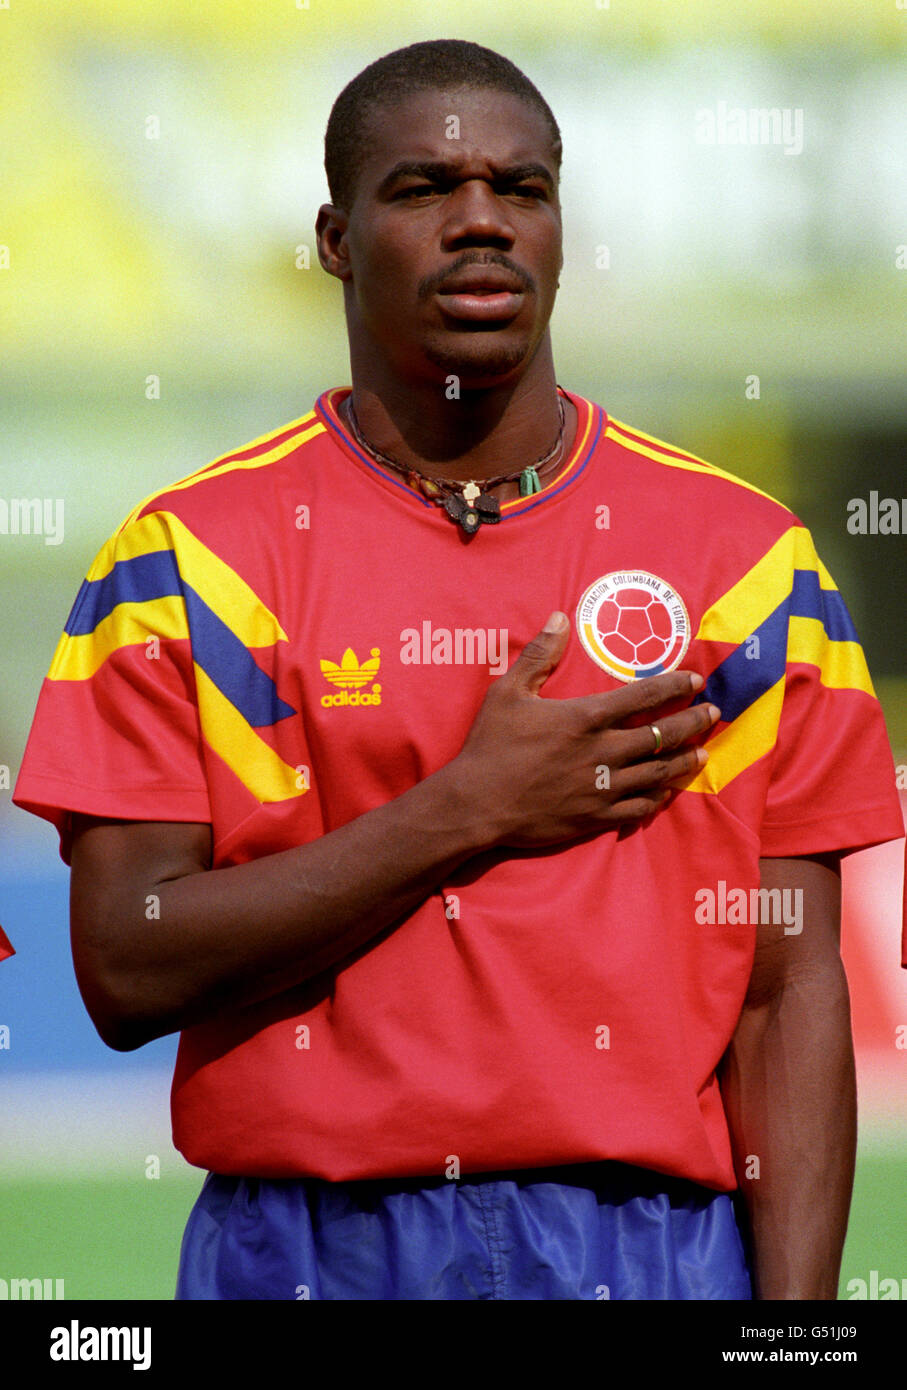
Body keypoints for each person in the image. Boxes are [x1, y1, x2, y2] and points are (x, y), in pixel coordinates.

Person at [13, 39, 904, 1301]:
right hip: (307, 1251)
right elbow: (123, 961)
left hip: (651, 1252)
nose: (479, 220)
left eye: (520, 188)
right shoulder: (187, 562)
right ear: (333, 236)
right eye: (424, 187)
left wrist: (797, 1332)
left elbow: (786, 988)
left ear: (556, 226)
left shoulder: (748, 563)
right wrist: (467, 809)